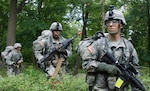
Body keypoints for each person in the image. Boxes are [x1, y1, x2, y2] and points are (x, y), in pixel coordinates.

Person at [78, 6, 139, 91]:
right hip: (100, 88)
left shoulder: (128, 46)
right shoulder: (98, 44)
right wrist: (104, 66)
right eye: (108, 22)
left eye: (114, 22)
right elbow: (86, 64)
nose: (111, 24)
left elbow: (135, 68)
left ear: (121, 25)